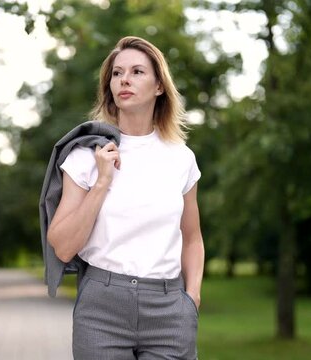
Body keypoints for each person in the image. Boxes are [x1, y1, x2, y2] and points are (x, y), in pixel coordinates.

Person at [47, 35, 204, 360]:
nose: (124, 80)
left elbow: (192, 238)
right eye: (117, 74)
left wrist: (192, 299)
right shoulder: (84, 155)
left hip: (168, 309)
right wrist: (102, 181)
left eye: (136, 72)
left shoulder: (181, 158)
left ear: (159, 86)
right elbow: (62, 247)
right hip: (101, 310)